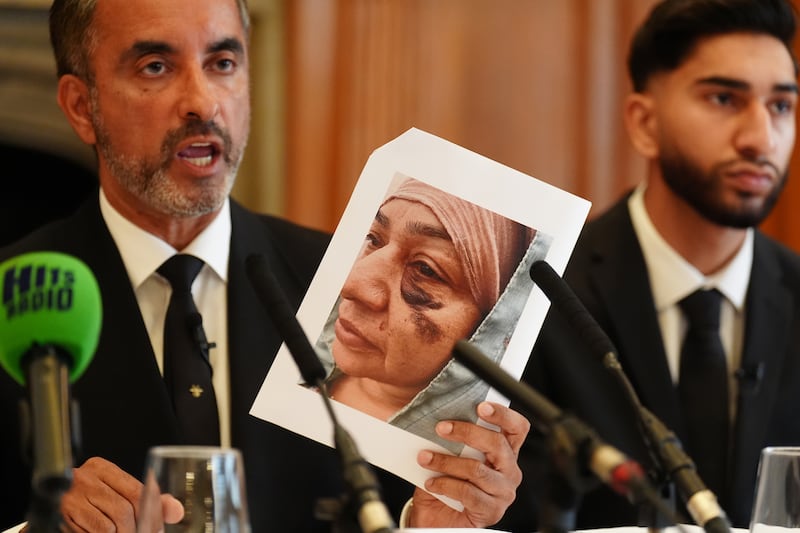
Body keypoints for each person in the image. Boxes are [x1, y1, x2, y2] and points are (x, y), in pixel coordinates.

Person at [0, 0, 531, 531]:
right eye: (155, 67)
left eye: (223, 64)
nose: (202, 102)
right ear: (79, 106)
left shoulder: (339, 287)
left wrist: (434, 519)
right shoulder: (16, 302)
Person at [519, 0, 800, 529]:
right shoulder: (543, 292)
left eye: (781, 106)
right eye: (724, 98)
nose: (762, 138)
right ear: (644, 123)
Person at [314, 176, 548, 453]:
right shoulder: (273, 346)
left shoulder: (501, 455)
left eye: (426, 269)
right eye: (374, 239)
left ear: (489, 327)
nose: (351, 285)